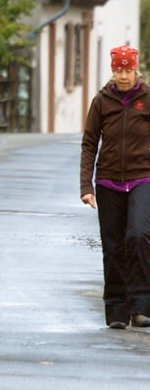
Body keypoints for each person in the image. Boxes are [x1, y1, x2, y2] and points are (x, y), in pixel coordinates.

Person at [80, 45, 150, 330]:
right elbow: (89, 144)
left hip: (143, 177)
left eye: (128, 70)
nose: (123, 76)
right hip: (108, 180)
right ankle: (117, 310)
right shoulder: (102, 101)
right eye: (118, 70)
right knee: (113, 246)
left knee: (139, 235)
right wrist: (86, 185)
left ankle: (142, 305)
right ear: (113, 70)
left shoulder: (147, 98)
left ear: (136, 70)